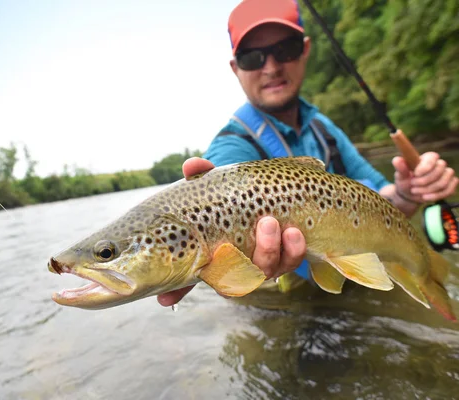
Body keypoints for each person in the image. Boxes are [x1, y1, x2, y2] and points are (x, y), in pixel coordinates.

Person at [157, 0, 459, 307]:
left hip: (347, 281)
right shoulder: (231, 148)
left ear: (305, 50)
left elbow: (381, 201)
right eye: (253, 57)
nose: (271, 67)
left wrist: (407, 193)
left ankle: (426, 271)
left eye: (285, 49)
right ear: (236, 68)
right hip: (283, 303)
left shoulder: (321, 126)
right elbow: (209, 204)